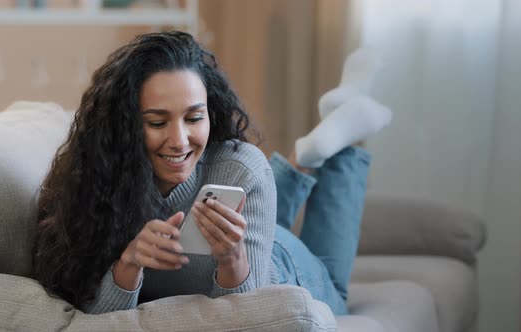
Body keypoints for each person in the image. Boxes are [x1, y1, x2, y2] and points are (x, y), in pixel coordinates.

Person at [32, 31, 391, 316]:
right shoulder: (98, 179)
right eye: (157, 122)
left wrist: (232, 258)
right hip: (256, 227)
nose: (178, 140)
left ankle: (341, 139)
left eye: (194, 118)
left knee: (336, 292)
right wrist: (129, 262)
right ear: (123, 126)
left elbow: (250, 316)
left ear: (211, 111)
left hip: (276, 264)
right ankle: (307, 153)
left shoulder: (239, 166)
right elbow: (94, 315)